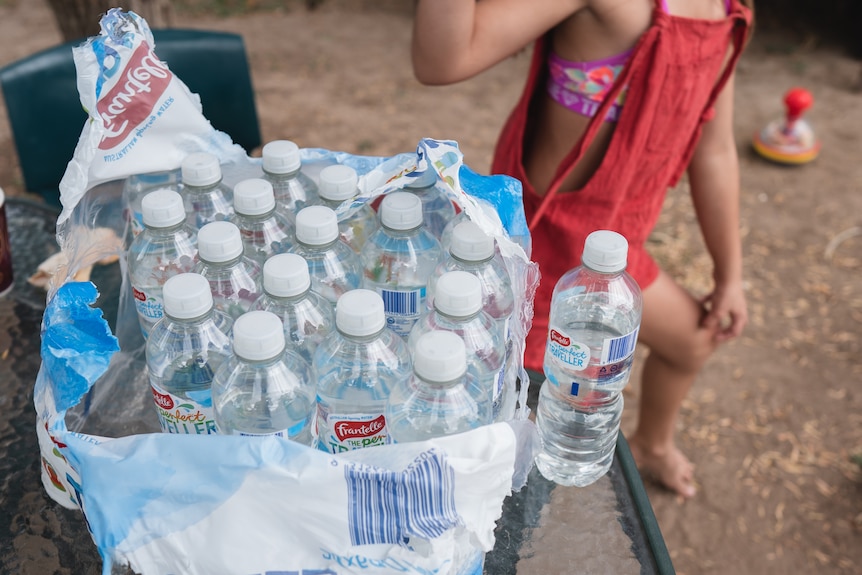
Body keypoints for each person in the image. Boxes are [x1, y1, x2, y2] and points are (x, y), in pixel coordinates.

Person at [411, 0, 752, 498]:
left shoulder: (729, 8)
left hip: (614, 253)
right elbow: (441, 62)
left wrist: (730, 275)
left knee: (692, 341)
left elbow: (715, 148)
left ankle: (653, 444)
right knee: (519, 439)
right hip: (543, 256)